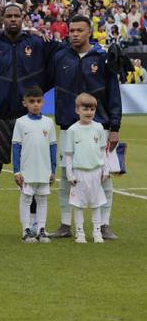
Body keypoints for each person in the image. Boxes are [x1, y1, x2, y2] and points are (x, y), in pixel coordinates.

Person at [0, 4, 63, 237]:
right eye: (8, 16)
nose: (12, 19)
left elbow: (63, 53)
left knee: (32, 171)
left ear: (23, 18)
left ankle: (35, 223)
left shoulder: (36, 43)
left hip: (27, 119)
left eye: (16, 16)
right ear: (2, 18)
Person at [48, 15, 121, 240]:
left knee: (103, 175)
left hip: (100, 126)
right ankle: (65, 224)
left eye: (79, 30)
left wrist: (115, 126)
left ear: (89, 32)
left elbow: (113, 92)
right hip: (68, 125)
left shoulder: (102, 57)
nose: (74, 34)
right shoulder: (60, 57)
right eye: (71, 30)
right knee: (65, 175)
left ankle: (105, 225)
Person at [11, 86, 57, 243]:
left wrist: (53, 170)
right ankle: (26, 231)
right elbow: (16, 147)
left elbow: (52, 147)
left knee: (42, 199)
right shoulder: (20, 122)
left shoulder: (49, 122)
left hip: (44, 169)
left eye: (38, 101)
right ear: (25, 103)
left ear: (43, 102)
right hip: (27, 170)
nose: (35, 104)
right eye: (32, 101)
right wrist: (16, 171)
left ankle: (41, 230)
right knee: (26, 199)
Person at [63, 93, 111, 244]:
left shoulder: (99, 127)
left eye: (92, 109)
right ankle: (80, 233)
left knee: (96, 204)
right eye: (85, 109)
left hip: (95, 172)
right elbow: (69, 154)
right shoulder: (72, 130)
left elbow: (102, 150)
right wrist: (69, 174)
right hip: (79, 173)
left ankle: (97, 232)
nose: (89, 112)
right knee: (79, 205)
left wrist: (106, 169)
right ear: (77, 110)